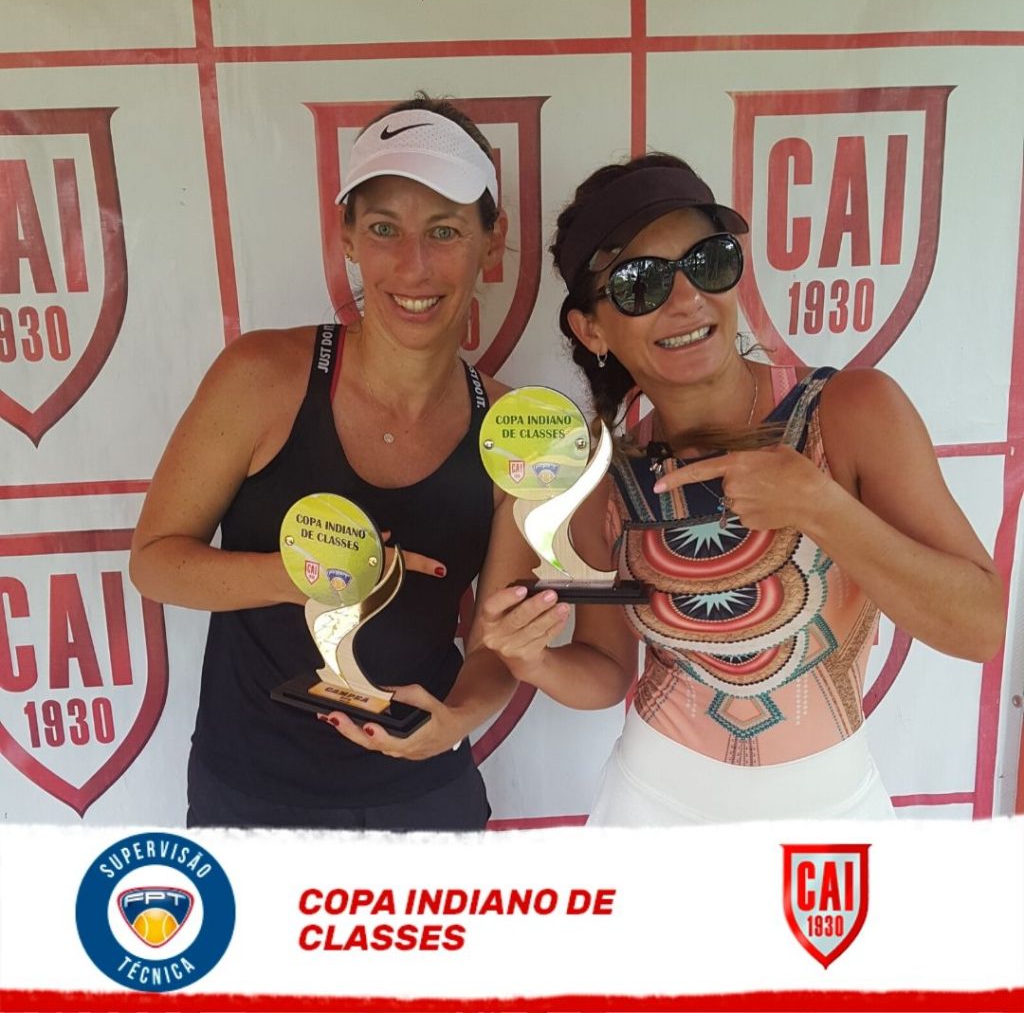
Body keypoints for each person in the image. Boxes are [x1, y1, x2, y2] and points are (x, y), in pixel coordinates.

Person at [477, 153, 1005, 824]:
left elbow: (979, 628)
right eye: (641, 283)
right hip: (652, 809)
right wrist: (533, 661)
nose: (686, 299)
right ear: (592, 329)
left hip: (830, 813)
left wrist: (818, 505)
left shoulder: (852, 412)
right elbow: (607, 670)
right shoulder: (606, 475)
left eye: (709, 261)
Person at [130, 94, 532, 830]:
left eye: (444, 230)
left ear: (492, 241)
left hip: (425, 795)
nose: (413, 265)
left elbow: (499, 645)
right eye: (384, 229)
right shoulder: (263, 376)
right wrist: (302, 579)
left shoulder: (512, 429)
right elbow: (155, 563)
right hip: (252, 796)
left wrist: (457, 719)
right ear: (347, 236)